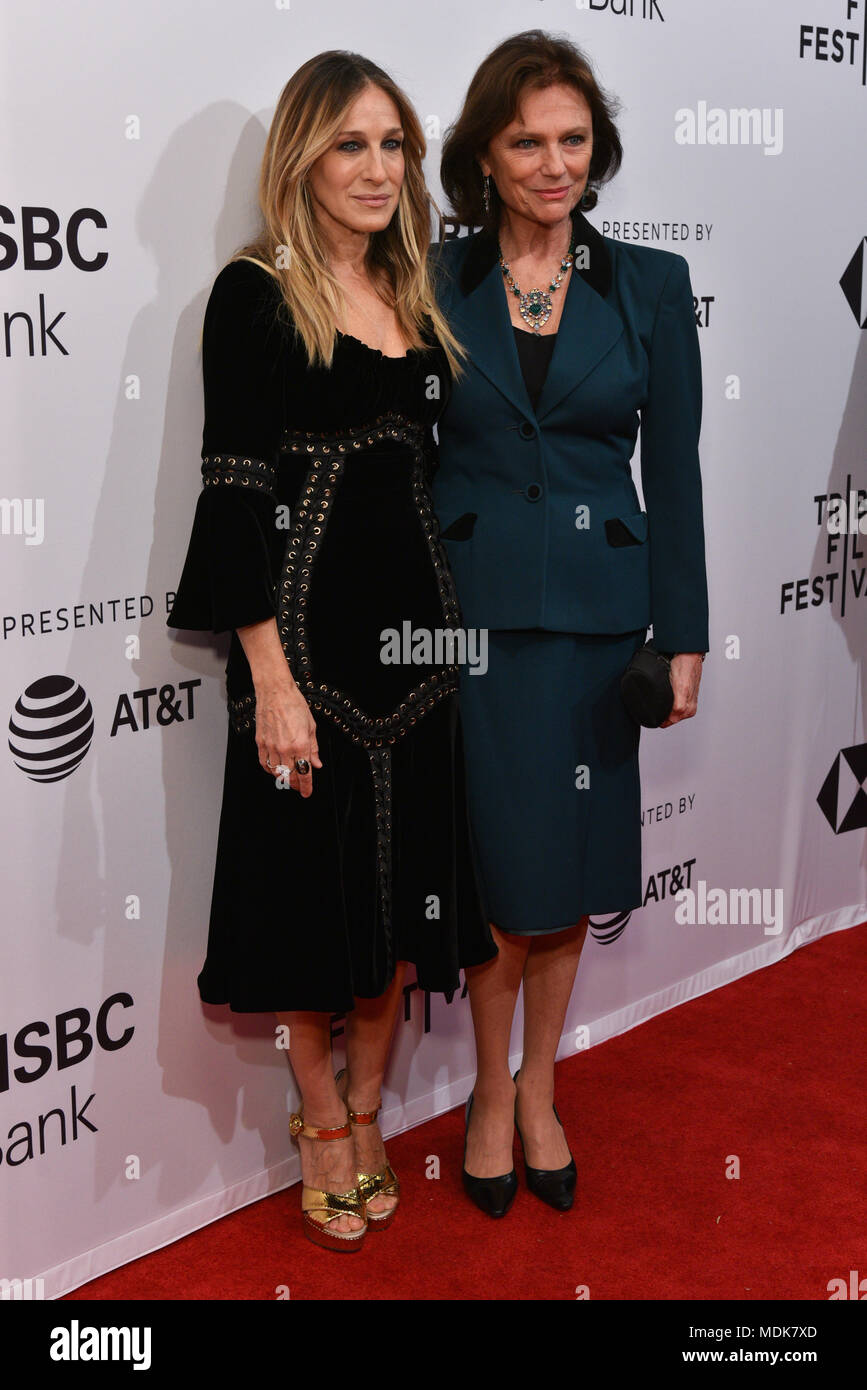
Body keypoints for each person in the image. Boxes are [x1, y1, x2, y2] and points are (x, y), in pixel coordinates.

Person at [166, 50, 496, 1251]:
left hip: (423, 660)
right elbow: (236, 493)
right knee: (314, 912)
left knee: (406, 908)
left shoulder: (417, 291)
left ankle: (367, 1104)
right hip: (309, 663)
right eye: (349, 143)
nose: (376, 167)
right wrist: (270, 680)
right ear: (302, 156)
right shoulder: (257, 292)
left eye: (393, 144)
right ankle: (324, 1124)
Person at [431, 29, 708, 1216]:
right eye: (526, 141)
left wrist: (683, 632)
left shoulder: (649, 284)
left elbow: (680, 471)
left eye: (573, 140)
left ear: (598, 151)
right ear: (485, 156)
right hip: (476, 625)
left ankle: (542, 1082)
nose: (554, 163)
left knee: (575, 868)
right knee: (503, 877)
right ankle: (489, 1093)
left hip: (603, 625)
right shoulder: (433, 280)